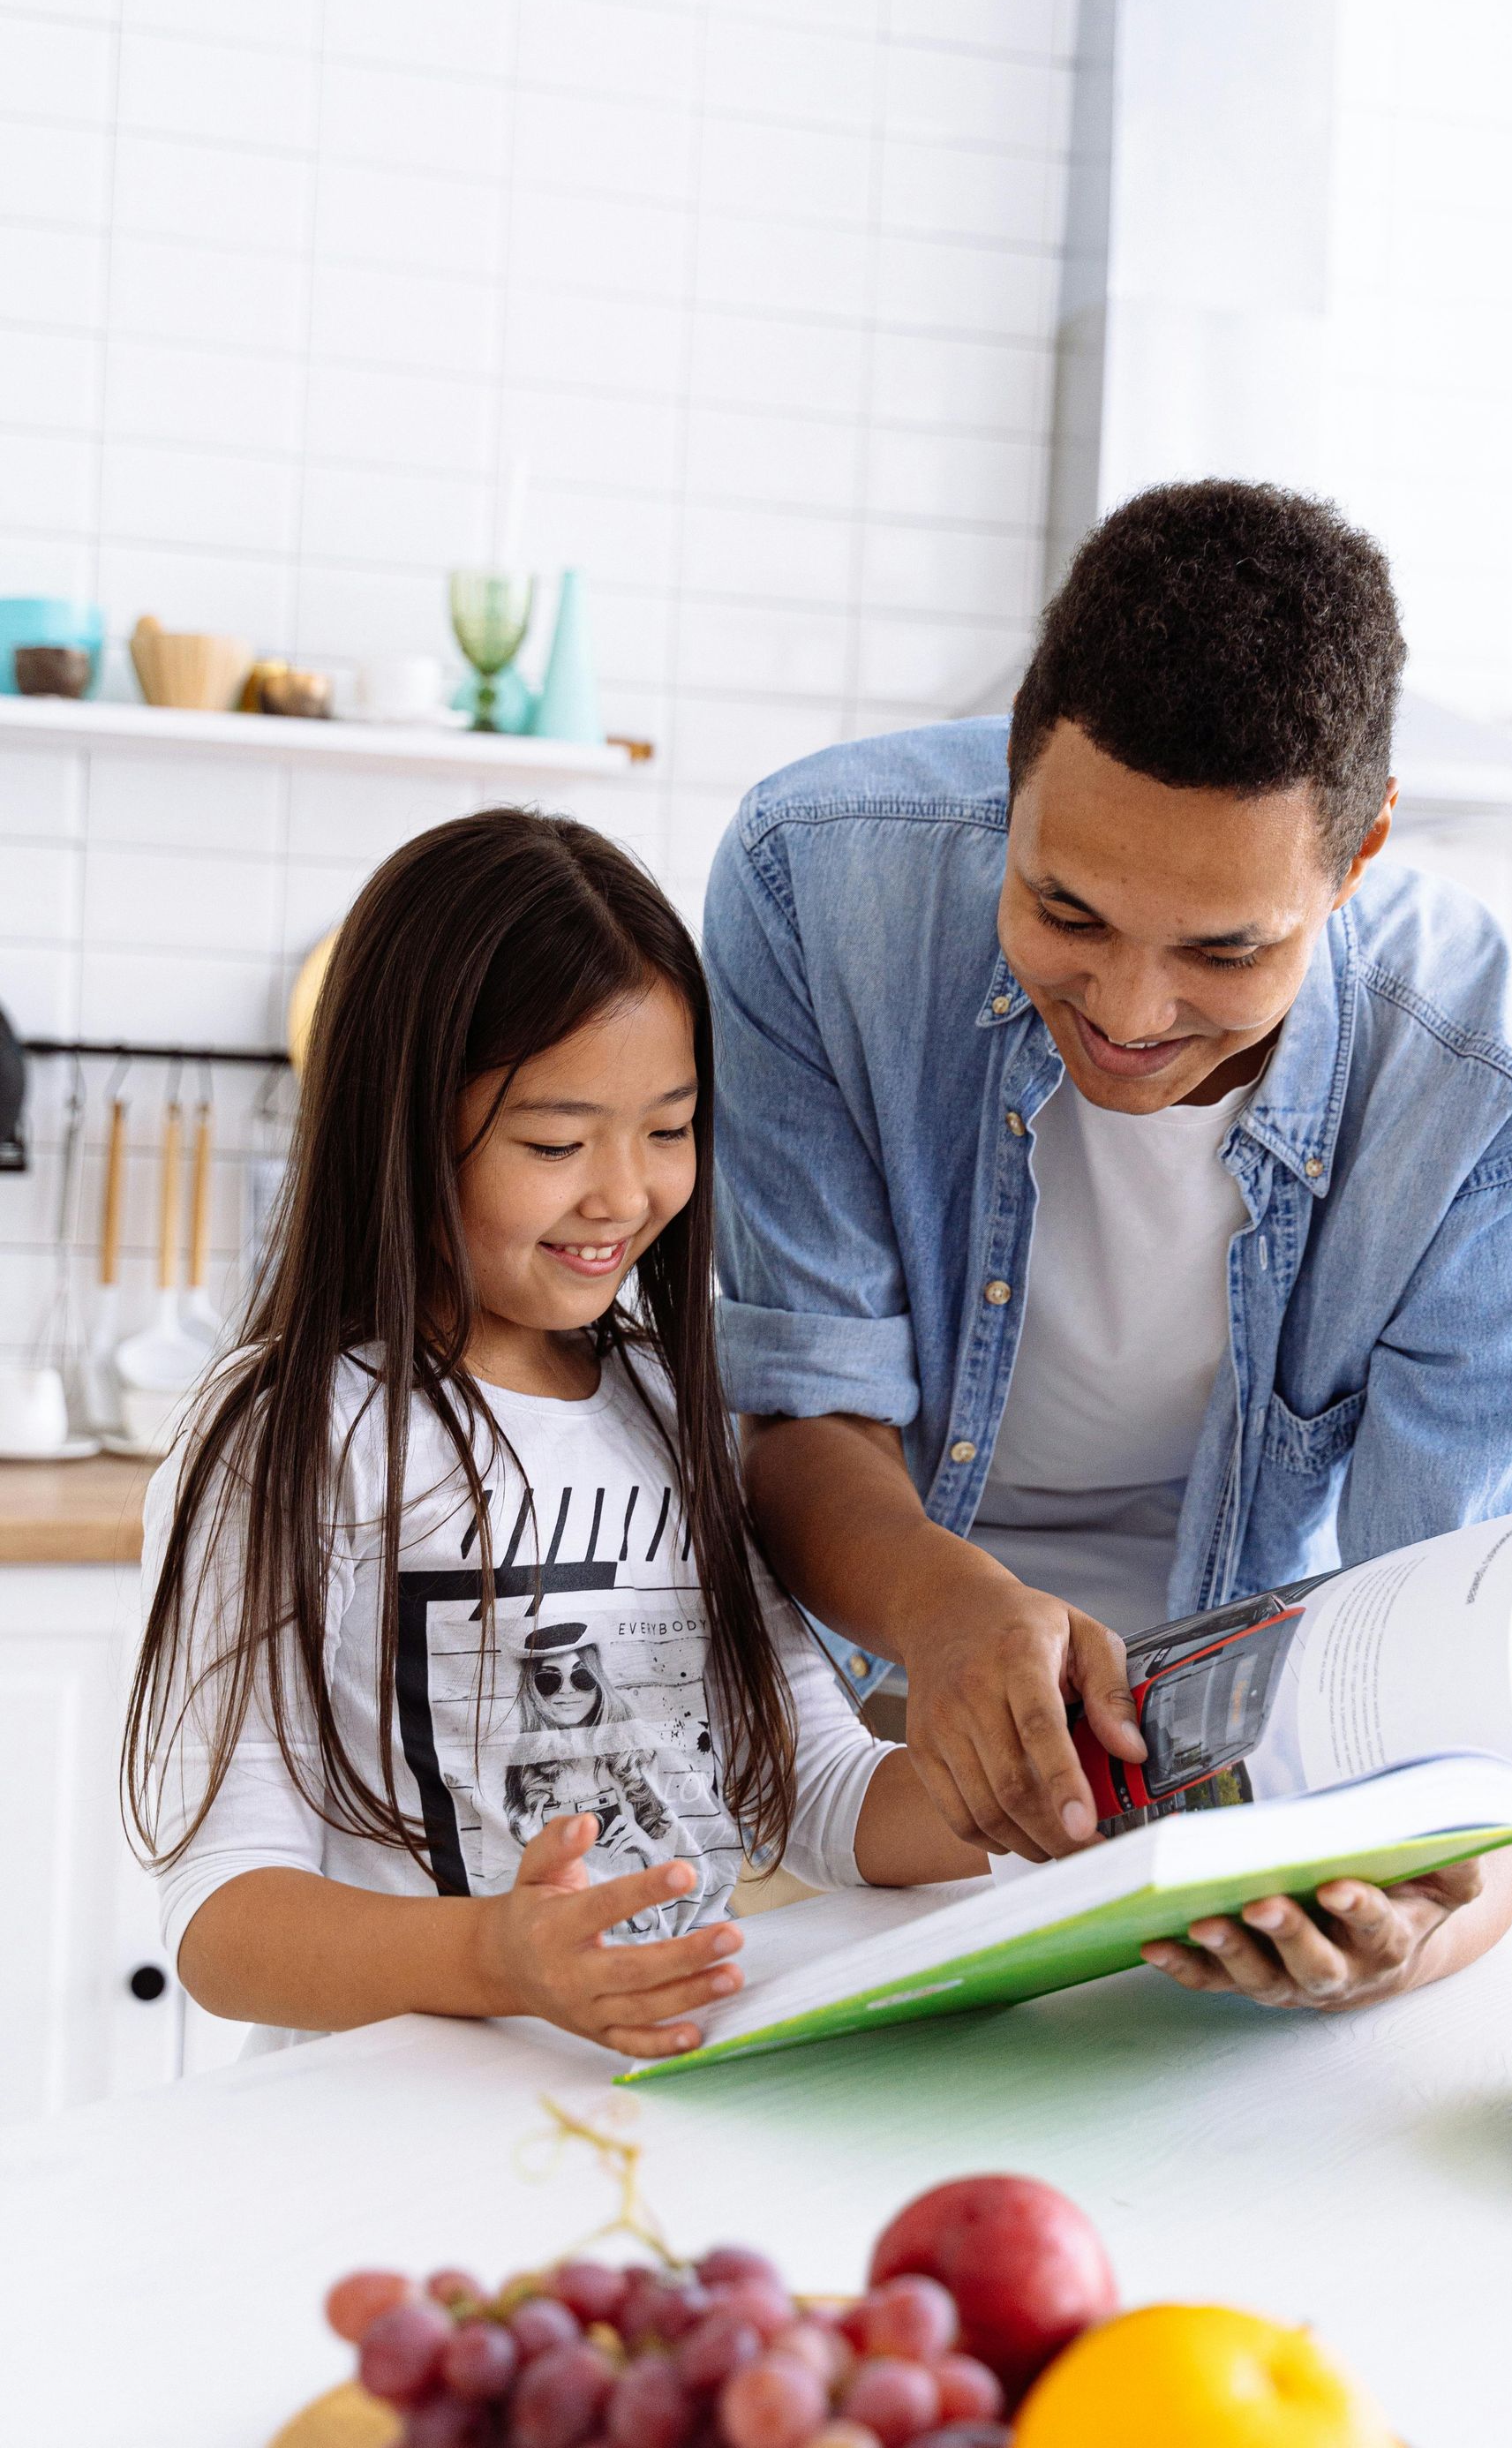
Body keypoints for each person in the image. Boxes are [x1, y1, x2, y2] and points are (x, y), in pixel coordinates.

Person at [704, 480, 1512, 2014]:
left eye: (1225, 950)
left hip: (1238, 1825)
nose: (1128, 1014)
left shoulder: (1497, 1110)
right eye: (1065, 909)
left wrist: (1403, 1946)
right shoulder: (815, 882)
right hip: (839, 1762)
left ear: (1359, 851)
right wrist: (941, 1609)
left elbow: (1482, 1705)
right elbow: (801, 1416)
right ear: (1014, 772)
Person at [124, 810, 982, 2066]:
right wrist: (500, 1958)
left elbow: (826, 1797)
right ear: (407, 1123)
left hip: (654, 2110)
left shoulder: (668, 1406)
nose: (624, 1193)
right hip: (399, 2135)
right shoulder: (292, 1437)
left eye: (670, 1129)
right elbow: (226, 1924)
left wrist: (1048, 1793)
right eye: (556, 1143)